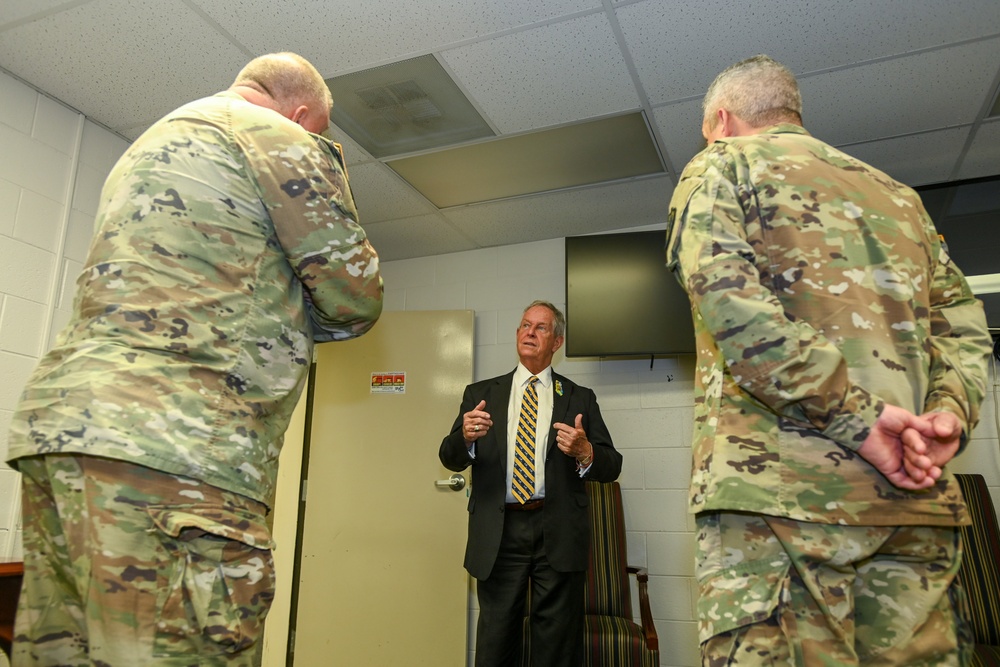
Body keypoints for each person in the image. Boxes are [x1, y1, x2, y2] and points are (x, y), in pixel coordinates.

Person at [6, 52, 383, 666]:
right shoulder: (283, 137)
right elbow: (355, 297)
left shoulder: (152, 142)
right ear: (304, 113)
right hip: (178, 450)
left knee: (64, 652)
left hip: (62, 434)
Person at [666, 55, 992, 666]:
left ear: (721, 119)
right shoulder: (903, 199)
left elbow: (736, 311)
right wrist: (949, 414)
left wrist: (860, 422)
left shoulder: (722, 165)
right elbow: (966, 328)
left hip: (783, 504)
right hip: (912, 503)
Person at [439, 300, 622, 667]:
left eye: (540, 327)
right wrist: (467, 437)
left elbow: (611, 465)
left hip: (556, 528)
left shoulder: (578, 397)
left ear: (557, 342)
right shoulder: (481, 394)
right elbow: (448, 455)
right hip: (500, 529)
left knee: (556, 642)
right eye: (525, 325)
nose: (530, 332)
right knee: (496, 637)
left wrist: (586, 451)